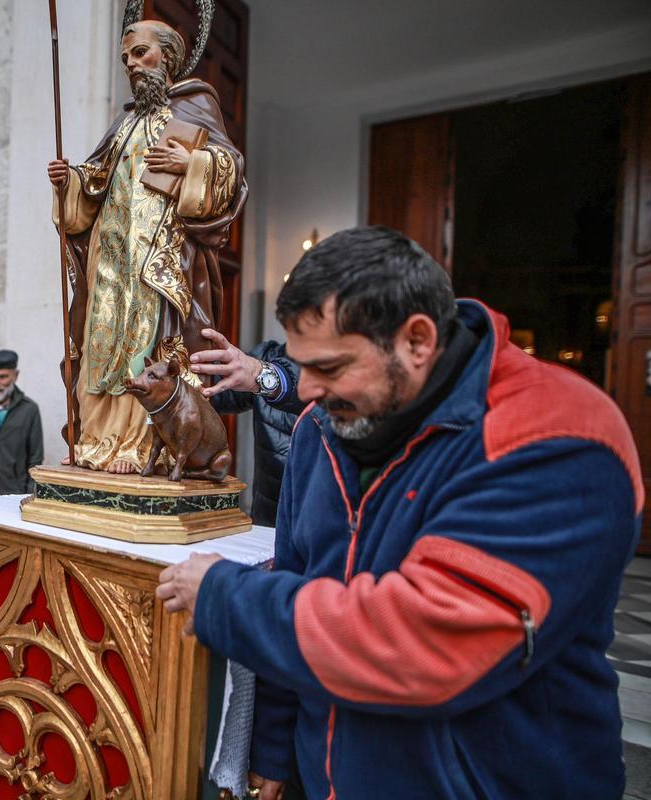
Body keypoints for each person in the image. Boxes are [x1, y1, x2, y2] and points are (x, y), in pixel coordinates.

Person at [156, 226, 642, 799]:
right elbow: (298, 575)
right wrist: (274, 748)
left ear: (416, 341)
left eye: (331, 366)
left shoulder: (560, 436)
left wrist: (224, 596)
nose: (306, 391)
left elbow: (426, 644)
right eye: (302, 365)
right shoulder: (321, 427)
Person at [46, 15, 247, 473]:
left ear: (168, 56)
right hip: (110, 257)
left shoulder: (196, 104)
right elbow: (96, 184)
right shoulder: (124, 122)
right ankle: (96, 440)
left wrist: (192, 162)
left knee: (146, 344)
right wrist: (69, 181)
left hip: (157, 259)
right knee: (100, 343)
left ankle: (140, 446)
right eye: (126, 59)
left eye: (141, 53)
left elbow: (231, 170)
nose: (132, 65)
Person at [197, 333, 305, 525]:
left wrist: (262, 375)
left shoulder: (353, 368)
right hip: (268, 522)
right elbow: (212, 395)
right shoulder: (267, 355)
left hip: (330, 528)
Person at [0, 348, 44, 493]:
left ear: (15, 375)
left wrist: (30, 494)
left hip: (14, 495)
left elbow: (35, 460)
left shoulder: (29, 409)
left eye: (3, 377)